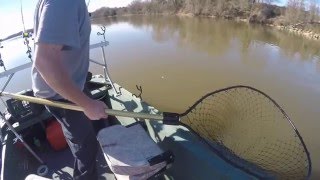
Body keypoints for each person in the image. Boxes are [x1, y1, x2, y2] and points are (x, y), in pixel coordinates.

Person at [32, 0, 108, 179]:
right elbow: (44, 61)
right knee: (86, 148)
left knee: (88, 134)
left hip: (72, 86)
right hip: (60, 94)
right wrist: (86, 104)